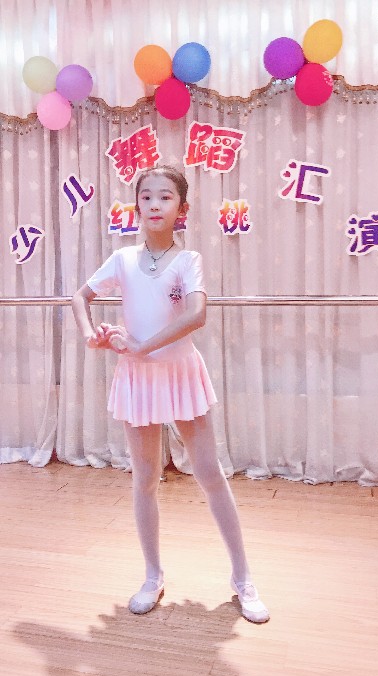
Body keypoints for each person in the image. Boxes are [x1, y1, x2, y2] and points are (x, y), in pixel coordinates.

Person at [72, 165, 269, 624]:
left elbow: (196, 315)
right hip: (137, 379)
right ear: (136, 206)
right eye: (146, 197)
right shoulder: (122, 258)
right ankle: (152, 575)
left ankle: (243, 578)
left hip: (180, 373)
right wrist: (91, 335)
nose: (154, 204)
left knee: (210, 473)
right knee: (144, 478)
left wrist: (142, 346)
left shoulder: (188, 260)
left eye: (165, 197)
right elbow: (80, 297)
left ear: (183, 208)